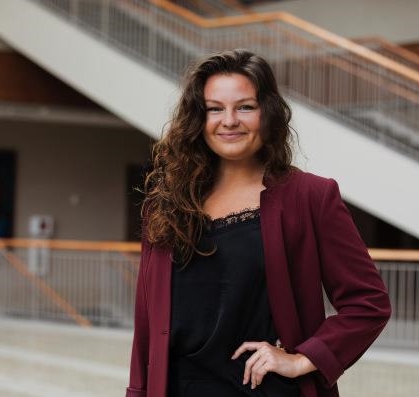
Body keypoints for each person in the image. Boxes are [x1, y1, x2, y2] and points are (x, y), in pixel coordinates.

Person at [126, 49, 391, 397]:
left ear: (268, 113)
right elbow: (147, 324)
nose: (229, 120)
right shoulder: (166, 203)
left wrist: (302, 359)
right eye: (214, 108)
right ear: (197, 118)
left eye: (245, 107)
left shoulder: (310, 196)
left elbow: (369, 303)